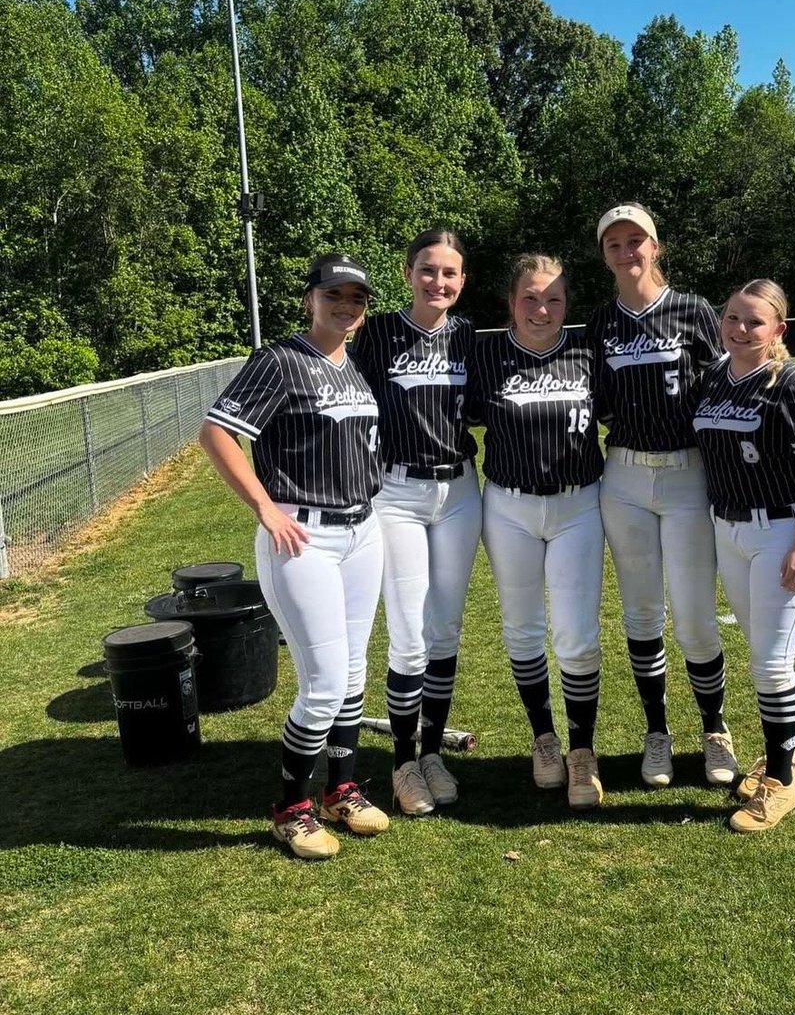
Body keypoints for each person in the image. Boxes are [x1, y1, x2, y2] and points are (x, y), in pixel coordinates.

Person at [199, 254, 388, 861]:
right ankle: (290, 808)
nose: (346, 305)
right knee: (325, 682)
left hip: (361, 531)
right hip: (302, 535)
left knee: (354, 674)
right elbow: (217, 432)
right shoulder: (280, 359)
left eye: (356, 297)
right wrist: (264, 505)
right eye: (334, 293)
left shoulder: (350, 368)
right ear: (310, 298)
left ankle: (341, 790)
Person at [586, 202, 735, 789]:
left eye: (636, 240)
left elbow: (731, 376)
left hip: (686, 473)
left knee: (695, 615)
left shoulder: (693, 309)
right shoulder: (600, 322)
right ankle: (657, 733)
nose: (628, 252)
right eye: (615, 244)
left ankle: (716, 728)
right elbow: (590, 398)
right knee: (642, 610)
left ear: (656, 245)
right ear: (605, 256)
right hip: (623, 475)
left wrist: (792, 396)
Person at [692, 279, 795, 833]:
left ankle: (782, 779)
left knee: (772, 663)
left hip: (783, 529)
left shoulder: (794, 384)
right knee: (762, 651)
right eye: (732, 318)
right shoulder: (715, 377)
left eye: (754, 321)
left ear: (778, 329)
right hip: (729, 529)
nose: (739, 329)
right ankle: (782, 757)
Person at [352, 229, 481, 816]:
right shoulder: (375, 332)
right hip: (397, 491)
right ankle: (403, 760)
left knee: (445, 629)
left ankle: (432, 751)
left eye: (450, 273)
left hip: (459, 491)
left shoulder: (468, 335)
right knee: (407, 633)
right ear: (408, 274)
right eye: (428, 270)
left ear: (462, 281)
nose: (439, 282)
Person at [470, 254, 606, 810]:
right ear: (511, 302)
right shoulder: (485, 356)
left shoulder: (586, 353)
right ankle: (543, 738)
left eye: (553, 298)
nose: (542, 308)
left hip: (578, 506)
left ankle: (582, 751)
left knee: (576, 632)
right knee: (523, 628)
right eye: (530, 297)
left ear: (566, 304)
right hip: (508, 506)